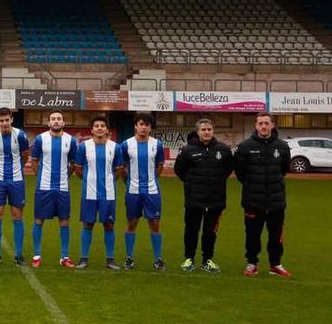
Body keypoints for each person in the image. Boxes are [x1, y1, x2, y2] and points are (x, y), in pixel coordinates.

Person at [234, 112, 292, 278]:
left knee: (276, 236)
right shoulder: (245, 146)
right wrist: (253, 185)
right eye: (260, 123)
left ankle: (276, 264)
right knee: (252, 235)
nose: (264, 127)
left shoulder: (282, 146)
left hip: (276, 201)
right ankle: (252, 263)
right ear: (256, 125)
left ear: (272, 125)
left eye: (267, 123)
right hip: (253, 201)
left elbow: (284, 169)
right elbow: (240, 172)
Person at [174, 118, 233, 273]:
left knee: (210, 232)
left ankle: (207, 260)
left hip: (216, 200)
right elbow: (179, 171)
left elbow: (227, 170)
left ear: (213, 131)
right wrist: (192, 185)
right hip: (194, 200)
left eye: (209, 129)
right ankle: (189, 259)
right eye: (203, 130)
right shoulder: (187, 150)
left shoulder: (224, 149)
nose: (206, 132)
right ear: (198, 132)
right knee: (191, 230)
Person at [73, 116, 124, 270]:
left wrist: (109, 181)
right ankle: (83, 258)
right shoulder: (83, 147)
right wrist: (89, 180)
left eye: (102, 125)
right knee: (88, 224)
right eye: (97, 126)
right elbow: (78, 168)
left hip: (108, 193)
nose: (100, 128)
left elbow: (119, 169)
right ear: (92, 130)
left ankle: (110, 259)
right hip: (89, 192)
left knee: (109, 224)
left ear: (107, 130)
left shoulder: (115, 147)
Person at [29, 110, 78, 268]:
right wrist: (41, 176)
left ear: (63, 123)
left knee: (64, 221)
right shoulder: (40, 139)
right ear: (48, 123)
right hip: (43, 187)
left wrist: (65, 177)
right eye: (53, 119)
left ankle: (64, 257)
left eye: (59, 119)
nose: (56, 121)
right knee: (39, 219)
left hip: (63, 188)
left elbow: (73, 163)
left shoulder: (70, 140)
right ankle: (37, 255)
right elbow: (34, 161)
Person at [120, 112, 167, 271]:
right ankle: (129, 257)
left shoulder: (157, 144)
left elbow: (159, 166)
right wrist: (128, 182)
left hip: (152, 191)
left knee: (154, 223)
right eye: (141, 124)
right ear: (136, 126)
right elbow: (122, 167)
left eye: (147, 125)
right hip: (133, 190)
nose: (144, 127)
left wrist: (152, 180)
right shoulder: (126, 145)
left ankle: (158, 259)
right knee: (132, 223)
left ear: (150, 127)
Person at [0, 107, 30, 265]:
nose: (4, 123)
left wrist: (17, 169)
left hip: (16, 180)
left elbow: (25, 155)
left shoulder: (21, 135)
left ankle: (19, 255)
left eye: (7, 120)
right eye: (1, 120)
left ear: (11, 120)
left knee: (17, 215)